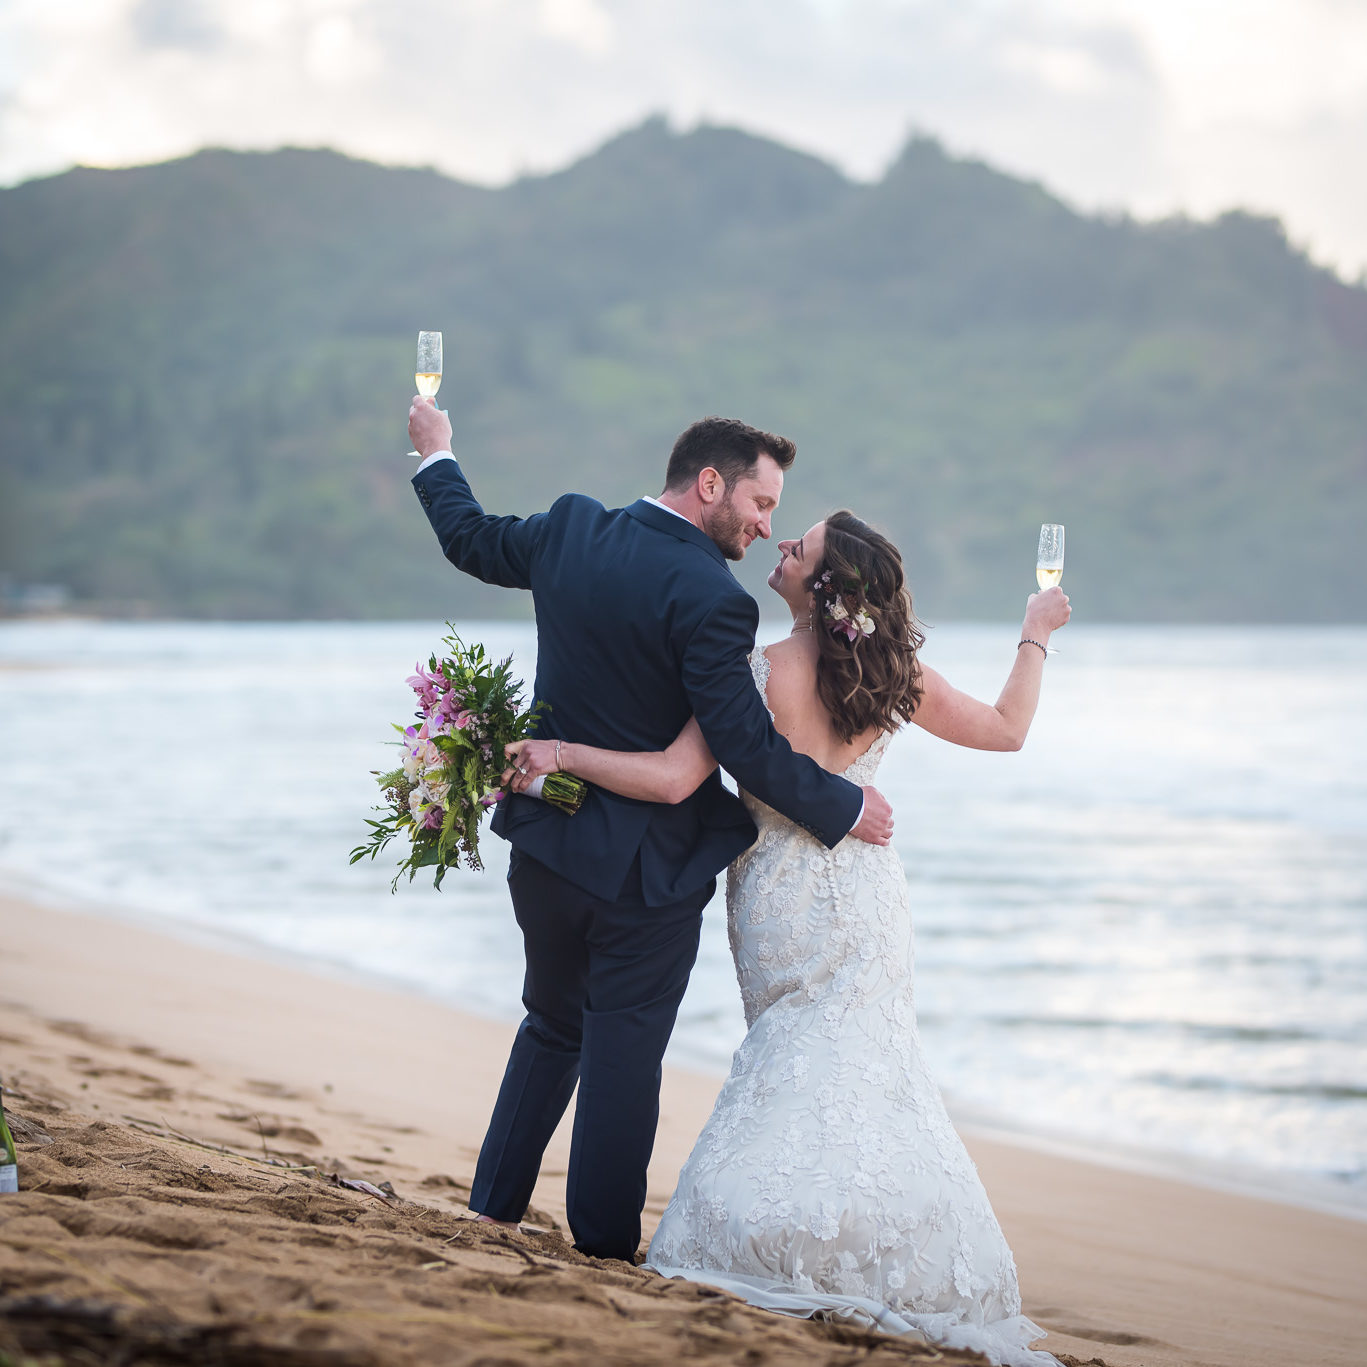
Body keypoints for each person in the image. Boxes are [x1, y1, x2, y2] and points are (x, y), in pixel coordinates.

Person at [504, 510, 1071, 1367]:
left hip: (774, 893)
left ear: (823, 585)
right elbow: (1006, 728)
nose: (780, 545)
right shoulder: (897, 675)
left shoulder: (751, 672)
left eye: (796, 545)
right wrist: (1034, 636)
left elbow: (669, 779)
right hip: (868, 893)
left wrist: (556, 753)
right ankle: (869, 1236)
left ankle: (776, 1232)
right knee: (865, 1057)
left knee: (792, 1050)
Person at [406, 400, 895, 1264]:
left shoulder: (568, 529)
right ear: (710, 483)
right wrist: (844, 807)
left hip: (546, 846)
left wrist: (437, 454)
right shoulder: (712, 597)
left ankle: (492, 1208)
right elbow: (740, 745)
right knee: (624, 1054)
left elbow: (469, 539)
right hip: (646, 878)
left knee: (550, 1025)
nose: (763, 523)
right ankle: (599, 1249)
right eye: (759, 502)